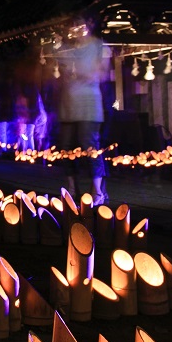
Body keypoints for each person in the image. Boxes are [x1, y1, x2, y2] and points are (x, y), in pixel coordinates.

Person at [56, 18, 109, 205]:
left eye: (80, 25)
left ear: (89, 25)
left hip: (89, 103)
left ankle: (98, 191)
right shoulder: (66, 49)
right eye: (73, 25)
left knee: (90, 146)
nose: (76, 29)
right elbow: (57, 73)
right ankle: (72, 188)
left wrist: (86, 75)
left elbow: (103, 73)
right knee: (66, 147)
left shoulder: (99, 46)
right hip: (68, 103)